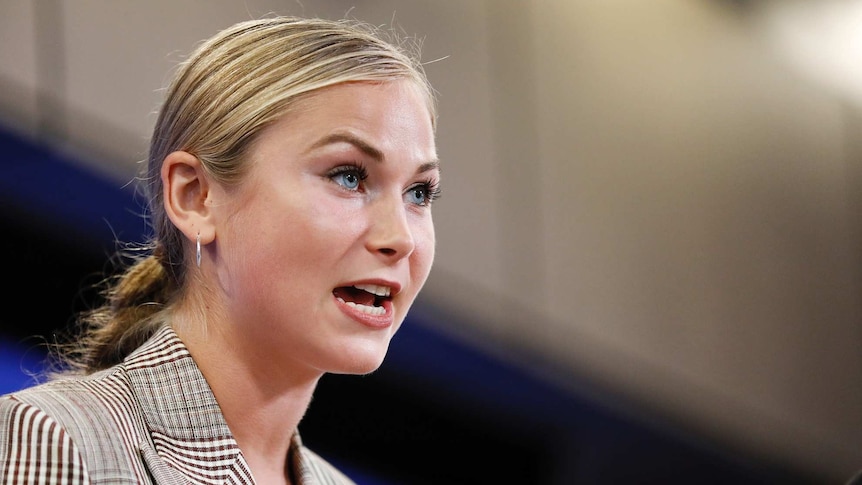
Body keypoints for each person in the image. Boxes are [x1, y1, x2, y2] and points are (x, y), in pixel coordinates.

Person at [0, 14, 440, 484]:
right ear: (195, 197)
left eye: (419, 192)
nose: (401, 238)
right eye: (348, 176)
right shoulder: (56, 439)